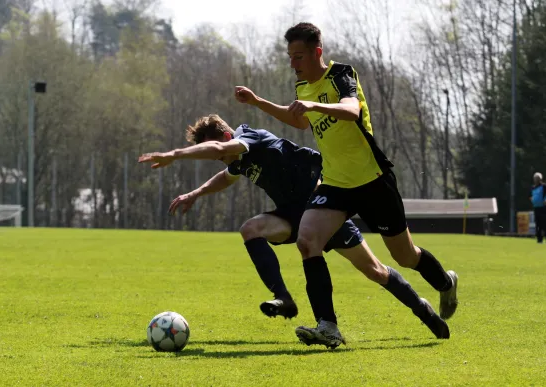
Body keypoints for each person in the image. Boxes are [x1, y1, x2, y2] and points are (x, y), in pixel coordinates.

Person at [234, 22, 458, 348]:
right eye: (290, 57)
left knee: (405, 256)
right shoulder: (302, 88)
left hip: (372, 181)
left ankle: (444, 282)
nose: (293, 64)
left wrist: (314, 106)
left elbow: (352, 111)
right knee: (308, 240)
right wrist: (258, 102)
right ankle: (328, 325)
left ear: (317, 52)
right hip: (335, 184)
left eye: (299, 57)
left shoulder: (341, 74)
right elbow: (298, 119)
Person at [138, 114, 449, 347]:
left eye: (219, 150)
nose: (221, 157)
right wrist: (195, 193)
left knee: (375, 271)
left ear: (224, 133)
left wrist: (175, 155)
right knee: (251, 229)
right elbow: (226, 175)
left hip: (324, 207)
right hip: (292, 216)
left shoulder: (249, 138)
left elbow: (223, 148)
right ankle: (291, 302)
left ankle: (421, 308)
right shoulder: (239, 161)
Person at [530, 172, 546, 243]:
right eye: (535, 178)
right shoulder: (533, 187)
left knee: (545, 223)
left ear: (540, 179)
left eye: (537, 178)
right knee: (538, 224)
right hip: (536, 207)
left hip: (543, 207)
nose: (536, 180)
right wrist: (532, 200)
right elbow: (529, 195)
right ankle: (539, 239)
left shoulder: (544, 186)